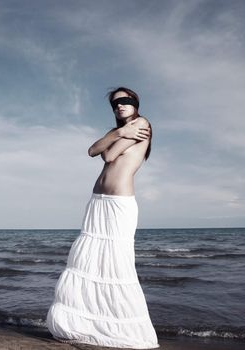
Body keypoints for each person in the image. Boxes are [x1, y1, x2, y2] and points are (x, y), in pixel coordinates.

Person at [46, 86, 160, 349]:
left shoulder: (142, 123)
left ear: (135, 103)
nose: (120, 106)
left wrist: (118, 136)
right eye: (115, 103)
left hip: (119, 204)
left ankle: (125, 331)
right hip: (98, 203)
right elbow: (91, 150)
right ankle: (85, 326)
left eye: (125, 101)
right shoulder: (119, 131)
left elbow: (107, 154)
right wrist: (119, 132)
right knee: (89, 263)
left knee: (116, 265)